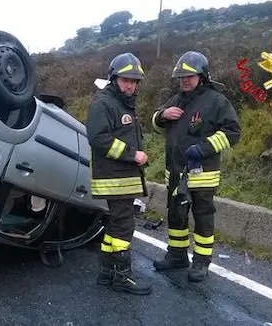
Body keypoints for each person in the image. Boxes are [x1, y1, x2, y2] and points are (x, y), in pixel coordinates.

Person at [151, 51, 241, 282]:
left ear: (202, 76)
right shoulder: (177, 100)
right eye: (181, 77)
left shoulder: (216, 101)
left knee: (203, 217)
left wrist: (203, 148)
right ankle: (177, 256)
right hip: (175, 172)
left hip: (203, 175)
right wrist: (162, 115)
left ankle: (201, 262)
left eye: (189, 76)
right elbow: (157, 127)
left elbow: (232, 132)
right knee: (176, 217)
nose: (185, 80)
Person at [85, 52, 151, 295]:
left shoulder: (121, 103)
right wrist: (132, 154)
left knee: (115, 226)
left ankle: (106, 272)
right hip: (116, 177)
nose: (130, 85)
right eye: (125, 80)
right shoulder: (104, 103)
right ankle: (123, 276)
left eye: (134, 82)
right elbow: (98, 138)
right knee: (124, 226)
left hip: (120, 177)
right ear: (114, 79)